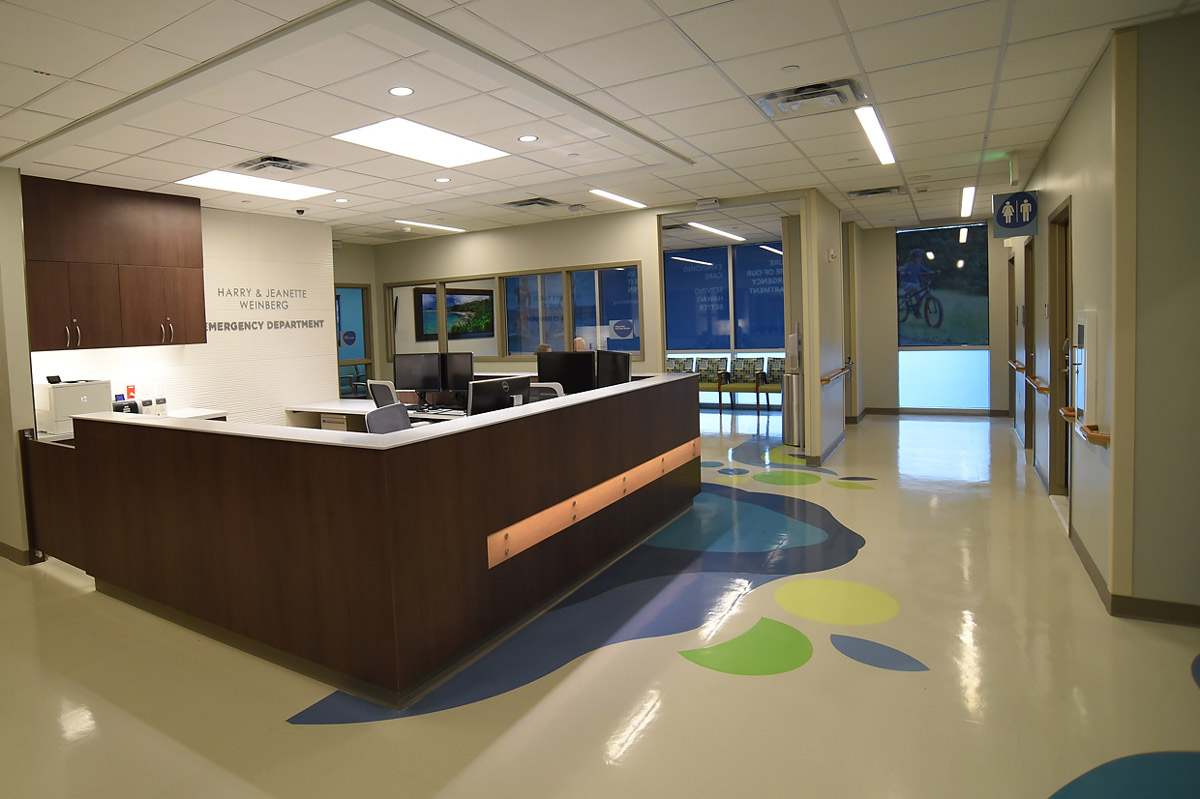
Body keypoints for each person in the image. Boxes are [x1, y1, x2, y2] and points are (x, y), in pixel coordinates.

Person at [898, 248, 935, 317]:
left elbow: (926, 270)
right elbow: (902, 272)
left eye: (920, 258)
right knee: (914, 287)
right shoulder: (908, 265)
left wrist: (933, 272)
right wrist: (906, 273)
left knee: (920, 298)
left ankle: (916, 310)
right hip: (906, 283)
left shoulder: (919, 265)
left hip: (916, 284)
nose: (919, 259)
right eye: (918, 257)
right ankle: (905, 296)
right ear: (913, 258)